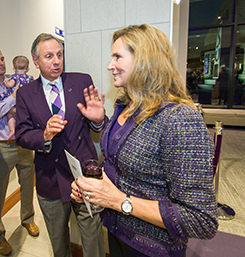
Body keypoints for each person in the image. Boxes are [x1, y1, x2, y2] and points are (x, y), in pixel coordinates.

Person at [71, 24, 218, 257]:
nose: (110, 65)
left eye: (117, 57)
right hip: (117, 232)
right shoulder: (124, 105)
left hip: (151, 248)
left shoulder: (179, 119)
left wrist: (120, 201)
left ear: (144, 60)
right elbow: (121, 162)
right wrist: (93, 188)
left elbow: (200, 219)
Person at [15, 33, 106, 257]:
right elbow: (22, 135)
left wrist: (98, 120)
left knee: (93, 239)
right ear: (35, 61)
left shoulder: (82, 81)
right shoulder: (26, 93)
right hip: (50, 178)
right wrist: (44, 135)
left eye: (59, 55)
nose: (56, 61)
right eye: (48, 56)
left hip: (85, 175)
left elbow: (96, 126)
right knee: (59, 242)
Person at [0, 47, 38, 256]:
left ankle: (27, 219)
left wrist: (12, 107)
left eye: (2, 59)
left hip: (24, 143)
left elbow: (29, 107)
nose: (1, 63)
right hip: (1, 147)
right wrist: (12, 100)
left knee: (27, 186)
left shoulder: (18, 80)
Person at [0, 55, 34, 140]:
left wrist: (6, 83)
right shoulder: (30, 78)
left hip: (15, 101)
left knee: (10, 115)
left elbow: (10, 85)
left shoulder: (14, 77)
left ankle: (12, 130)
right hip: (25, 102)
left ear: (14, 69)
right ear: (28, 69)